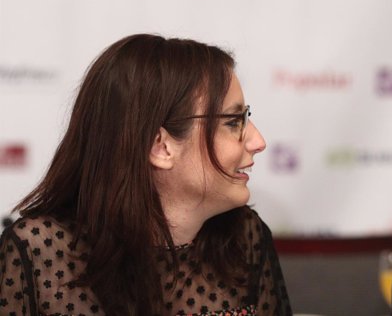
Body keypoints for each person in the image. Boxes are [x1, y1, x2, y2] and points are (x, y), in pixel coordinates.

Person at [0, 34, 292, 315]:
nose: (258, 141)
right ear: (161, 147)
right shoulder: (40, 251)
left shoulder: (244, 238)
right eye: (233, 122)